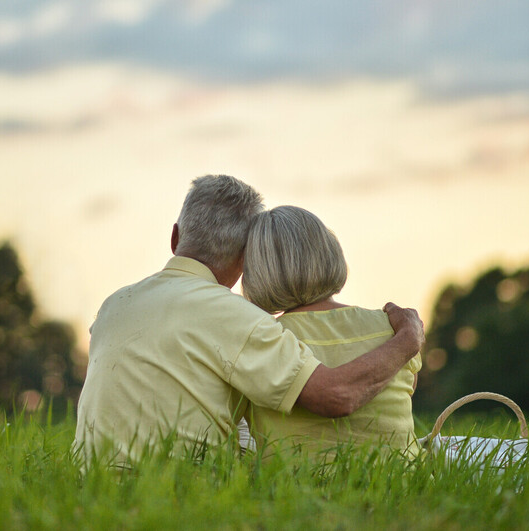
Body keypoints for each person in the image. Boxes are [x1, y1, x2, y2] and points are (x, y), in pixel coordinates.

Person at [74, 175, 425, 469]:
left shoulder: (114, 305)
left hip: (90, 488)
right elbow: (336, 395)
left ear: (175, 238)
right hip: (181, 495)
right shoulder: (234, 315)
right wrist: (407, 338)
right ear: (246, 257)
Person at [241, 205, 423, 459]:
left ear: (256, 273)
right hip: (407, 489)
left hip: (294, 494)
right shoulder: (394, 327)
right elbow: (408, 389)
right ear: (329, 252)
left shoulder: (261, 340)